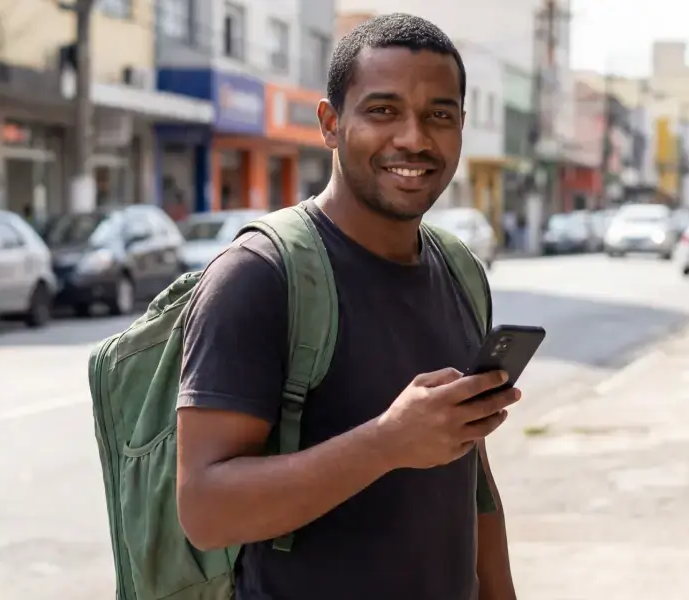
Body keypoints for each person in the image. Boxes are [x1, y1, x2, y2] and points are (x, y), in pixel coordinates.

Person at [176, 13, 519, 600]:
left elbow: (473, 478)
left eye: (439, 116)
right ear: (331, 124)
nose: (413, 139)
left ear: (461, 126)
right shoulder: (259, 275)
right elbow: (205, 512)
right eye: (382, 110)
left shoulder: (460, 270)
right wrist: (386, 443)